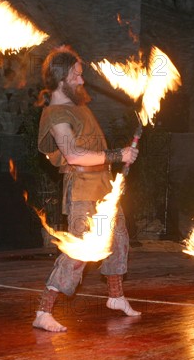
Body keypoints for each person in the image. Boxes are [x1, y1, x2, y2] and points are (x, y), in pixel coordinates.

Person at [32, 45, 141, 332]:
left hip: (103, 187)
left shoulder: (77, 107)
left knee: (118, 240)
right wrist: (119, 155)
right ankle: (44, 311)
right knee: (80, 249)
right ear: (61, 79)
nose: (82, 80)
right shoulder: (56, 115)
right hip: (82, 190)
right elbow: (74, 156)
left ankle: (116, 297)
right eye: (77, 75)